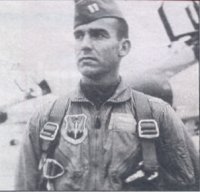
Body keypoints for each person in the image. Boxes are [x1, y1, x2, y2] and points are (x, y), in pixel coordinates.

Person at [15, 0, 199, 190]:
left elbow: (192, 183)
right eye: (79, 36)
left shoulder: (160, 115)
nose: (85, 45)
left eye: (98, 35)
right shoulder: (43, 120)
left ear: (124, 47)